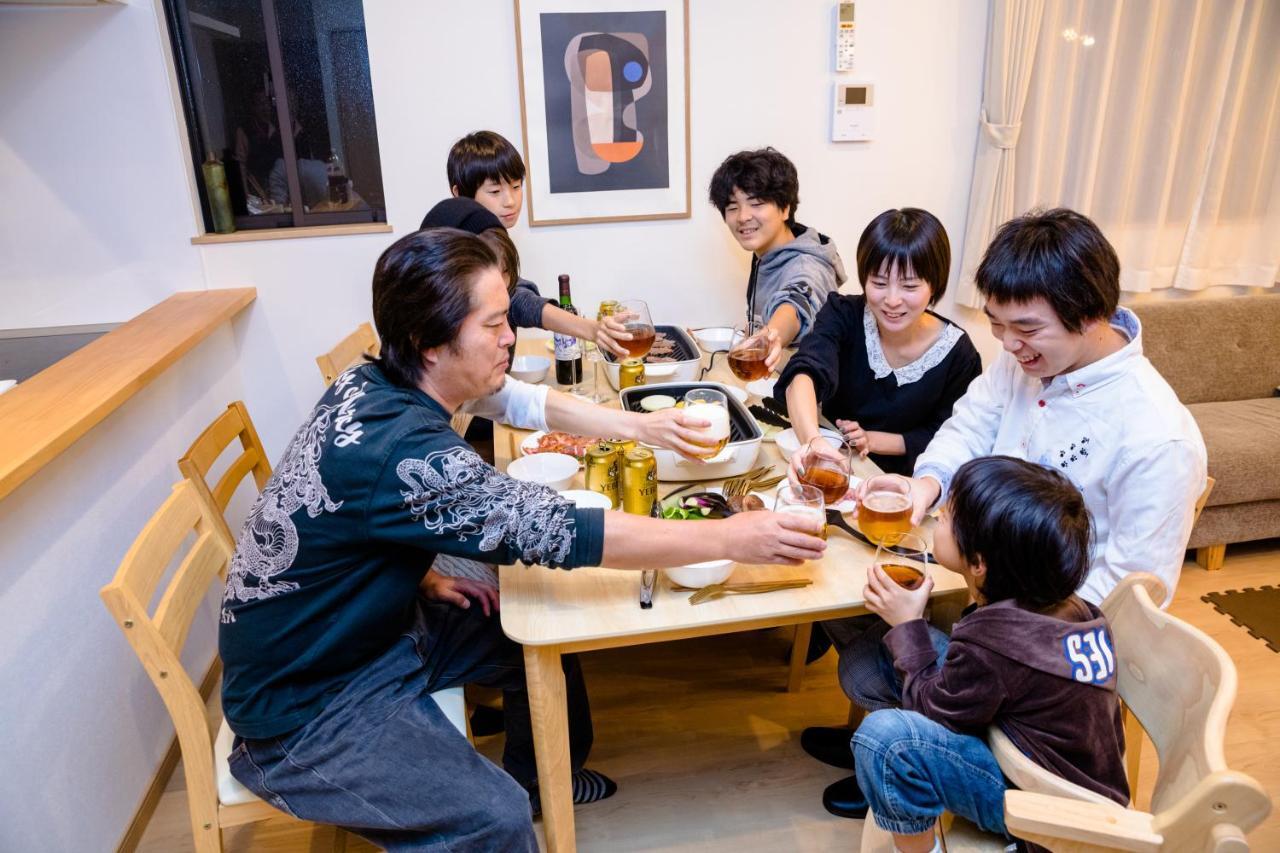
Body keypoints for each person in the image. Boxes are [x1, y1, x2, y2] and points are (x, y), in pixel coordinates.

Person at [220, 228, 827, 850]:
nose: (511, 336)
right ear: (429, 343)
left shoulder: (374, 379)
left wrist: (419, 566)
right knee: (493, 817)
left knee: (530, 640)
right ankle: (519, 807)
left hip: (367, 630)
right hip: (306, 703)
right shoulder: (407, 453)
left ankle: (544, 781)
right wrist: (728, 537)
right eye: (493, 325)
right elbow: (565, 530)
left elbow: (497, 413)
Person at [803, 207, 1206, 818]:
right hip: (983, 591)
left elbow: (1129, 594)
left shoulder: (1156, 437)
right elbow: (969, 424)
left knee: (870, 656)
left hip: (1044, 656)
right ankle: (911, 742)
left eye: (1026, 329)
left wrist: (993, 629)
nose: (1009, 346)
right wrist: (926, 488)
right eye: (996, 325)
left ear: (1090, 312)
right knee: (839, 577)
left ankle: (917, 755)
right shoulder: (1032, 359)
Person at [851, 456, 1129, 851]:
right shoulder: (1077, 609)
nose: (939, 514)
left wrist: (908, 624)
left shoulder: (995, 643)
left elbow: (930, 710)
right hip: (1080, 785)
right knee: (891, 652)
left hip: (1044, 810)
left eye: (948, 516)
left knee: (884, 740)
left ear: (979, 563)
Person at [775, 208, 981, 477]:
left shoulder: (958, 353)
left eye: (909, 287)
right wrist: (814, 442)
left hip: (909, 484)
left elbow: (952, 435)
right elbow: (805, 372)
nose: (892, 300)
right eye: (879, 283)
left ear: (935, 285)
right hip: (836, 463)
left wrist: (873, 440)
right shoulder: (843, 314)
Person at [443, 130, 630, 358]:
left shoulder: (493, 240)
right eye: (494, 191)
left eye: (516, 186)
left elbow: (518, 296)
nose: (510, 201)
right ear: (459, 193)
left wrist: (592, 329)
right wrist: (589, 329)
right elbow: (517, 301)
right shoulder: (455, 255)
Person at [708, 147, 847, 369]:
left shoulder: (807, 265)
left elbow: (796, 301)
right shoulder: (768, 253)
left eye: (756, 204)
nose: (743, 217)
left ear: (785, 209)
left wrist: (772, 335)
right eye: (733, 207)